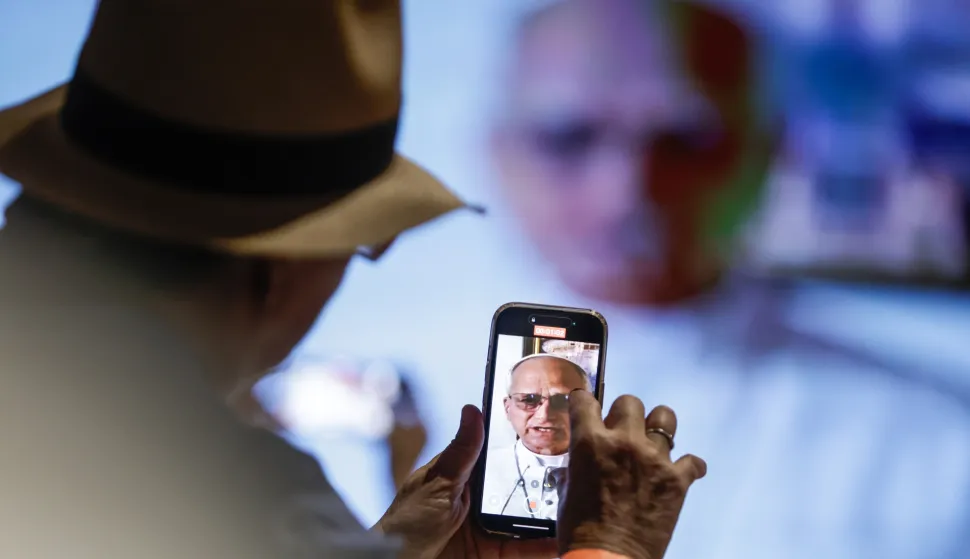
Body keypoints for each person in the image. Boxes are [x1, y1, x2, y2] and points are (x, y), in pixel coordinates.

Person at [0, 1, 707, 559]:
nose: (624, 188)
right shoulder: (221, 492)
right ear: (277, 268)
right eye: (360, 244)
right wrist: (610, 545)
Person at [484, 1, 970, 558]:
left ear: (767, 153)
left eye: (685, 139)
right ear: (498, 150)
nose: (625, 190)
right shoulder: (399, 396)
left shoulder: (934, 446)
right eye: (569, 137)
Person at [482, 354, 590, 519]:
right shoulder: (480, 468)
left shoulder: (613, 478)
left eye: (563, 400)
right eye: (529, 399)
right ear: (507, 408)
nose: (544, 415)